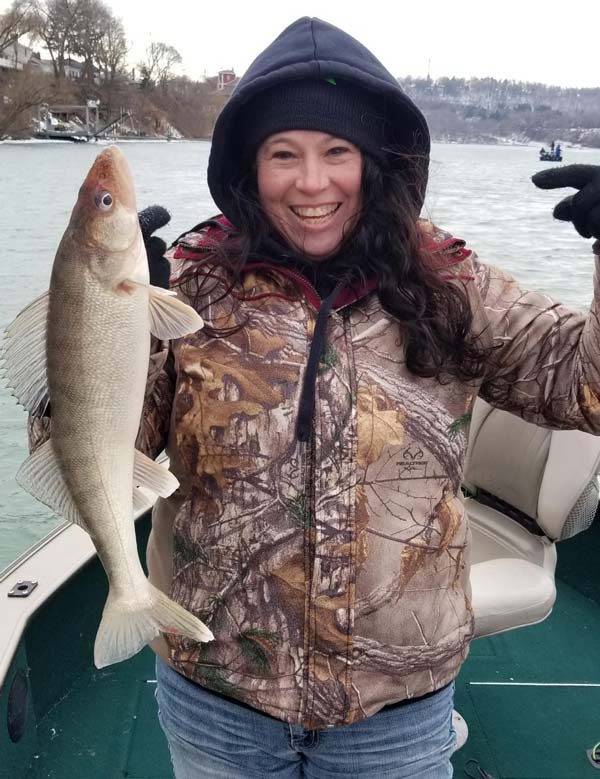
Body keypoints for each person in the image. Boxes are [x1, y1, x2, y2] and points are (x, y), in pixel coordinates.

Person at [31, 15, 600, 779]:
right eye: (283, 154)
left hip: (397, 712)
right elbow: (95, 447)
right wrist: (110, 326)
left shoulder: (452, 283)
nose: (311, 182)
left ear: (378, 161)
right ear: (247, 165)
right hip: (216, 694)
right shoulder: (191, 283)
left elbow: (583, 385)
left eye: (338, 152)